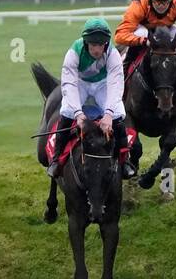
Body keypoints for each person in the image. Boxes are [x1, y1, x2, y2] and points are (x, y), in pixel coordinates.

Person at [47, 17, 132, 179]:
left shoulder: (112, 53)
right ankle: (56, 160)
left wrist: (108, 114)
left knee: (118, 114)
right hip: (80, 83)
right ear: (86, 42)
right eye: (93, 45)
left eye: (100, 45)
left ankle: (124, 161)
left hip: (102, 84)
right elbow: (69, 85)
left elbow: (116, 84)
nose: (97, 50)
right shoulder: (73, 52)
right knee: (66, 111)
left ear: (106, 43)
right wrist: (78, 114)